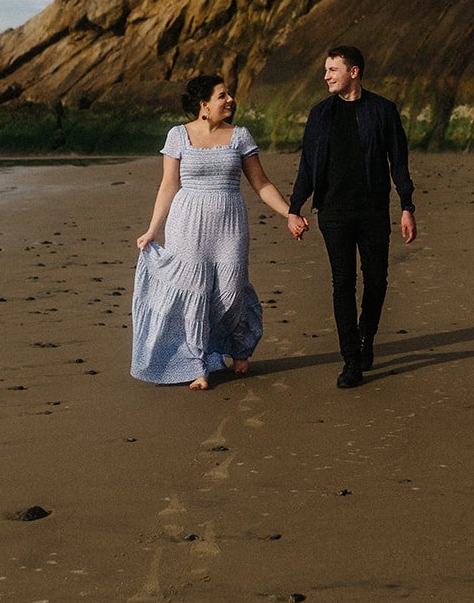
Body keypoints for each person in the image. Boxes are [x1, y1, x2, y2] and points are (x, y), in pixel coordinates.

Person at [132, 75, 296, 390]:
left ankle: (238, 348)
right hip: (187, 223)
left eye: (229, 94)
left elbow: (261, 183)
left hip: (229, 224)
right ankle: (199, 365)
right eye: (223, 95)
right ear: (204, 104)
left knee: (231, 290)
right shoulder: (178, 136)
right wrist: (153, 229)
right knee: (194, 292)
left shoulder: (240, 136)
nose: (230, 100)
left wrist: (288, 212)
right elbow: (169, 186)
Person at [287, 46, 416, 388]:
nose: (326, 76)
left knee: (376, 281)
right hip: (333, 213)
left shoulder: (383, 111)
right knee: (342, 283)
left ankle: (366, 337)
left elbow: (398, 162)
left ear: (354, 72)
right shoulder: (320, 115)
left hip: (373, 211)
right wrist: (294, 208)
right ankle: (351, 361)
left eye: (332, 69)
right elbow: (308, 167)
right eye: (326, 70)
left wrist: (407, 206)